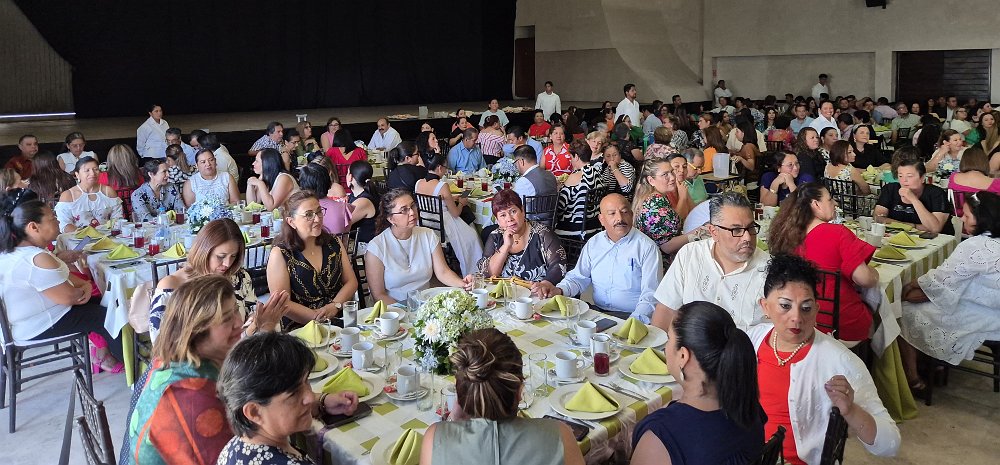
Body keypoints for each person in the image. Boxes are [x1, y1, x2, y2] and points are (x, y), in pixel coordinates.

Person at [749, 254, 899, 465]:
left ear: (817, 309)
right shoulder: (751, 341)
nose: (797, 318)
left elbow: (890, 443)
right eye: (785, 306)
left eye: (806, 308)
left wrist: (851, 410)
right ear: (765, 307)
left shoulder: (839, 360)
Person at [130, 275, 284, 465]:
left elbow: (243, 376)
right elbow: (233, 458)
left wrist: (265, 328)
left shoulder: (180, 359)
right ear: (197, 329)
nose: (239, 322)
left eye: (235, 311)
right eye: (226, 319)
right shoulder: (192, 394)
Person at [0, 188, 123, 371]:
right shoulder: (35, 258)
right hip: (38, 325)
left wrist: (84, 286)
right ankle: (134, 370)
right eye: (52, 218)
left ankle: (118, 355)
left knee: (110, 304)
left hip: (27, 320)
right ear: (34, 227)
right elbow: (70, 297)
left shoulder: (14, 251)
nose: (58, 221)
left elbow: (69, 281)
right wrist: (85, 287)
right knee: (109, 316)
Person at [421, 328, 584, 465]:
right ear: (520, 391)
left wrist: (454, 418)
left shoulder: (434, 440)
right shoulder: (560, 436)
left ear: (460, 393)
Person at [630, 301, 764, 465]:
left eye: (669, 339)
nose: (665, 348)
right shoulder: (750, 408)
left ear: (683, 356)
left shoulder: (660, 436)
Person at [898, 191, 1000, 391]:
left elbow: (940, 280)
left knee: (903, 312)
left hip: (983, 316)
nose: (962, 219)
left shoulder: (974, 245)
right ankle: (932, 363)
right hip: (994, 311)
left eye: (967, 215)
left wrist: (911, 284)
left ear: (982, 219)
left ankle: (913, 377)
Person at [216, 332, 358, 465]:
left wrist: (322, 402)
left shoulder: (236, 447)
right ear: (254, 412)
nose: (310, 397)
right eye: (293, 393)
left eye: (306, 380)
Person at [768, 183, 879, 341]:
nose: (835, 203)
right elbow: (864, 279)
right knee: (880, 313)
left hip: (797, 321)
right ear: (816, 204)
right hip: (839, 324)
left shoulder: (784, 236)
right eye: (830, 199)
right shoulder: (838, 233)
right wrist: (875, 274)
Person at [650, 192, 769, 332]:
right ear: (714, 232)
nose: (747, 238)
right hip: (688, 345)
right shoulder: (690, 254)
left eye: (751, 228)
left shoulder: (770, 270)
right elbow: (666, 310)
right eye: (736, 230)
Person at [533, 193, 661, 321]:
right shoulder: (594, 243)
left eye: (624, 212)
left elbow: (651, 295)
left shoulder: (647, 247)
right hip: (597, 312)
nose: (620, 218)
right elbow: (578, 277)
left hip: (630, 315)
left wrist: (633, 322)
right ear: (601, 219)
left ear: (631, 215)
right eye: (612, 213)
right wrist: (559, 290)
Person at [149, 218, 282, 341]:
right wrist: (248, 332)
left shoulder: (238, 277)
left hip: (242, 351)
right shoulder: (172, 286)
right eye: (221, 256)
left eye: (233, 256)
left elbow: (252, 312)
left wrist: (256, 321)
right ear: (203, 251)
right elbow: (161, 343)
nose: (227, 264)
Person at [364, 189, 473, 303]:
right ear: (391, 219)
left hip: (424, 303)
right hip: (392, 307)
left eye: (412, 206)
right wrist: (406, 310)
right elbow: (379, 295)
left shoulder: (428, 235)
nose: (412, 212)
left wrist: (463, 284)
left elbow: (443, 272)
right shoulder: (377, 247)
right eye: (404, 210)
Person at [267, 191, 358, 327]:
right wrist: (317, 317)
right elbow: (282, 302)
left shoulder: (333, 242)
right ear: (291, 222)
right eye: (308, 215)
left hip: (339, 317)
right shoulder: (280, 253)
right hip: (301, 327)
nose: (317, 219)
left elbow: (351, 282)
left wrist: (335, 305)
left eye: (319, 212)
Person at [478, 189, 566, 285]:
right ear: (497, 220)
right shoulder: (495, 236)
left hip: (535, 291)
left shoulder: (542, 234)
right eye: (503, 215)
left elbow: (558, 266)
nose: (509, 219)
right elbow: (488, 274)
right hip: (504, 292)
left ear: (522, 211)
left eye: (513, 211)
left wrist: (544, 285)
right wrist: (506, 246)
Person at [415, 153, 484, 275]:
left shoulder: (419, 183)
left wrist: (451, 198)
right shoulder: (442, 185)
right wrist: (461, 203)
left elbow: (434, 198)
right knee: (473, 236)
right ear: (439, 168)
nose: (445, 171)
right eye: (445, 168)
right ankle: (475, 270)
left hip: (425, 222)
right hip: (443, 224)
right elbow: (456, 213)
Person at [632, 158, 693, 263]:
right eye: (665, 174)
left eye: (671, 172)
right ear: (651, 180)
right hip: (661, 263)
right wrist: (698, 232)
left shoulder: (652, 197)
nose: (672, 177)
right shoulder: (656, 201)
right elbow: (667, 246)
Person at [874, 159, 953, 234]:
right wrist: (911, 226)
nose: (904, 180)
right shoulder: (890, 189)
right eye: (900, 176)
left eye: (909, 176)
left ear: (922, 178)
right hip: (896, 236)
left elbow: (934, 228)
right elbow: (879, 218)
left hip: (932, 239)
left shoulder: (936, 193)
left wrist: (914, 200)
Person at [54, 157, 123, 232]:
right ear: (77, 175)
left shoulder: (108, 192)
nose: (92, 173)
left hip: (107, 236)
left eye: (96, 169)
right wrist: (86, 234)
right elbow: (64, 224)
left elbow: (118, 218)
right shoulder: (68, 196)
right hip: (78, 237)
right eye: (87, 170)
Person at [554, 141, 605, 240]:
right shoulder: (597, 173)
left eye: (571, 157)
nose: (570, 161)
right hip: (595, 225)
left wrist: (559, 189)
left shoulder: (576, 177)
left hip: (574, 227)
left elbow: (560, 207)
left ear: (576, 157)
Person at [297, 163, 352, 235]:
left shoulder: (300, 212)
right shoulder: (345, 209)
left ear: (302, 186)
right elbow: (345, 236)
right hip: (339, 242)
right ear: (329, 183)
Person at [947, 147, 1000, 216]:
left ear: (963, 161)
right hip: (986, 220)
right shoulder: (996, 183)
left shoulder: (954, 177)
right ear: (985, 162)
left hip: (959, 218)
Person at [130, 158, 184, 223]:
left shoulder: (172, 188)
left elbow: (181, 211)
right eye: (164, 172)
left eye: (168, 171)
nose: (168, 175)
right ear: (151, 174)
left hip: (173, 227)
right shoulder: (137, 195)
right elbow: (146, 219)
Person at [346, 160, 378, 245]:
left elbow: (342, 223)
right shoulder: (355, 195)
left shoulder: (363, 201)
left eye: (347, 173)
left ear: (350, 177)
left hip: (364, 246)